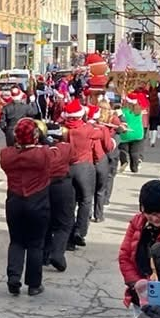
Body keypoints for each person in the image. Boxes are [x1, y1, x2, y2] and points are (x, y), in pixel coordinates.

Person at [0, 118, 52, 296]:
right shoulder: (43, 154)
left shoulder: (6, 155)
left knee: (16, 241)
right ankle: (34, 284)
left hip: (14, 200)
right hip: (37, 201)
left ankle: (13, 278)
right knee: (36, 244)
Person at [118, 180, 160, 307]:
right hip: (140, 297)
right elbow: (125, 256)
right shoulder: (137, 223)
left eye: (159, 213)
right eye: (149, 213)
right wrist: (137, 284)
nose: (154, 218)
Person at [61, 98, 98, 249]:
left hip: (67, 167)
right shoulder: (87, 128)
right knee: (86, 200)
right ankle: (80, 231)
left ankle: (69, 237)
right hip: (84, 167)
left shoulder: (62, 129)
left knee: (70, 204)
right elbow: (102, 135)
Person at [43, 129, 74, 273]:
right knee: (65, 223)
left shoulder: (41, 150)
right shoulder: (66, 147)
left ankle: (44, 255)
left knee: (46, 221)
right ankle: (57, 254)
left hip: (43, 185)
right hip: (62, 185)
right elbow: (74, 158)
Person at [120, 93, 146, 173]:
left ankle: (124, 160)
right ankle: (134, 167)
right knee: (135, 151)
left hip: (126, 132)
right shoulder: (139, 110)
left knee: (122, 148)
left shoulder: (124, 110)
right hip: (138, 133)